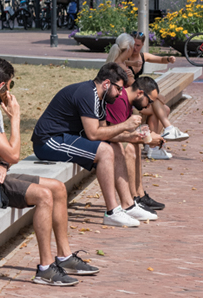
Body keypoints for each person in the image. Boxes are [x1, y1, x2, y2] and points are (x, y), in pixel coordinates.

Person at [0, 56, 99, 287]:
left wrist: (3, 166)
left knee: (58, 188)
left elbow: (6, 157)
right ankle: (45, 269)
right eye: (11, 85)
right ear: (3, 86)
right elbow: (13, 154)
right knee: (43, 195)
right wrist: (17, 118)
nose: (11, 91)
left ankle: (65, 257)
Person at [32, 63, 158, 227]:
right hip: (48, 141)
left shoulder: (101, 98)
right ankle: (112, 212)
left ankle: (128, 205)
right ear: (107, 84)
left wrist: (131, 135)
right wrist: (126, 125)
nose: (120, 93)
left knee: (114, 145)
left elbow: (105, 131)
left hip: (66, 138)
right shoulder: (87, 94)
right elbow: (93, 134)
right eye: (119, 89)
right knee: (105, 150)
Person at [106, 31, 188, 143]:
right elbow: (137, 87)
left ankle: (157, 142)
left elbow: (157, 60)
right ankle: (159, 139)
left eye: (138, 45)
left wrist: (134, 64)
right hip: (126, 102)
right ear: (129, 48)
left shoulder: (119, 63)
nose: (135, 48)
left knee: (161, 107)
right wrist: (157, 96)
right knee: (159, 106)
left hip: (122, 100)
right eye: (133, 46)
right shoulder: (122, 68)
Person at [105, 69, 166, 213]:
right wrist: (145, 139)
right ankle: (132, 199)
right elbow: (115, 132)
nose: (148, 106)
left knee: (135, 145)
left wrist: (147, 137)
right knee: (130, 147)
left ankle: (139, 194)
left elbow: (125, 132)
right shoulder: (120, 100)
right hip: (98, 138)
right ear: (140, 93)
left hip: (108, 135)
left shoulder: (127, 101)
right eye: (149, 101)